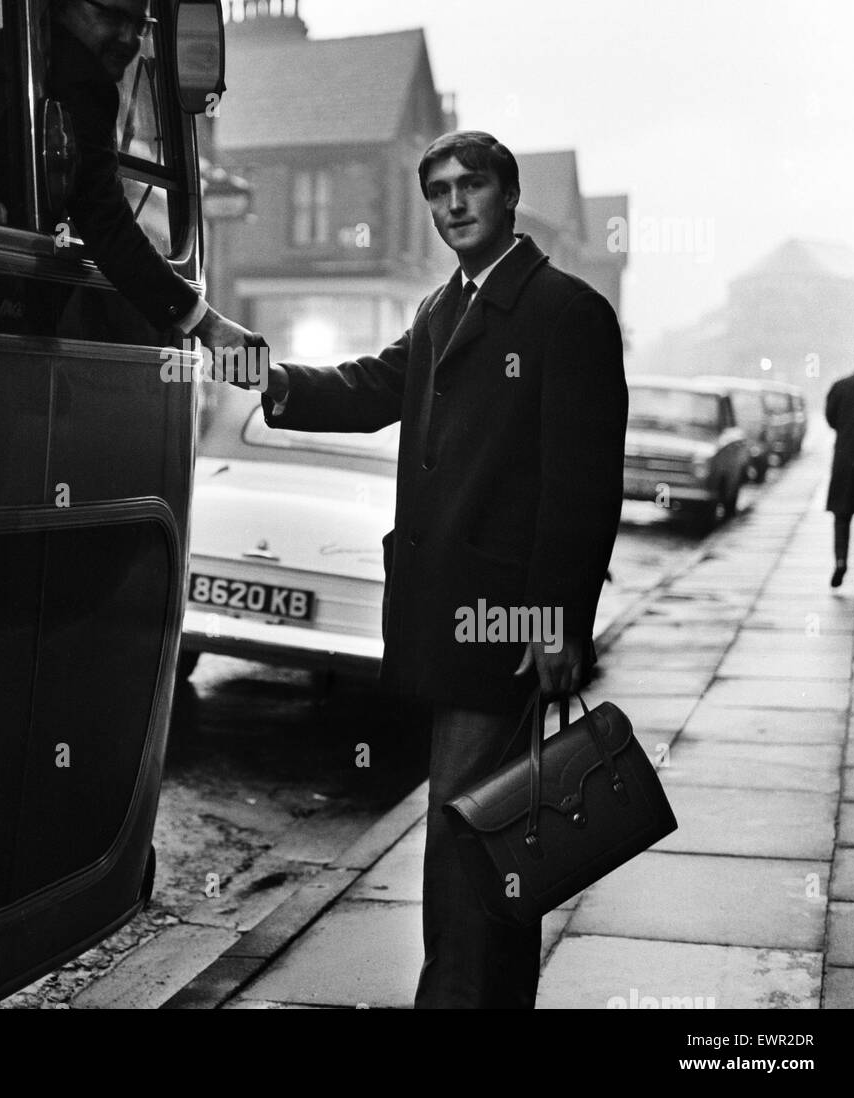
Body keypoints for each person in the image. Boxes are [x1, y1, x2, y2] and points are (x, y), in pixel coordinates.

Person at [259, 129, 628, 1008]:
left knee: (467, 842)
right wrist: (269, 378)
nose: (452, 204)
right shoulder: (440, 310)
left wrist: (556, 625)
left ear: (508, 198)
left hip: (504, 629)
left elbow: (581, 489)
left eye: (471, 186)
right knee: (485, 840)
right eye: (437, 191)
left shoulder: (565, 313)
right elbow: (368, 388)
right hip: (447, 621)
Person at [0, 0, 255, 354]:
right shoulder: (75, 75)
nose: (128, 39)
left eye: (140, 25)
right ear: (63, 3)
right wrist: (205, 323)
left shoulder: (9, 51)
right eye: (112, 17)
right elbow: (103, 219)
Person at [826, 341, 854, 589]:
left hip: (844, 461)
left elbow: (831, 419)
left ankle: (840, 561)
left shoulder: (840, 386)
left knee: (842, 517)